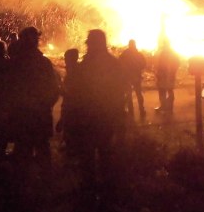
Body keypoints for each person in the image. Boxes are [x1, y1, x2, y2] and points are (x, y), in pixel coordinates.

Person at [64, 29, 128, 189]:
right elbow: (121, 91)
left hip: (89, 119)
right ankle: (108, 188)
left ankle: (89, 189)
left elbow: (75, 92)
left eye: (89, 42)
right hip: (107, 118)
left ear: (93, 43)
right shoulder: (114, 63)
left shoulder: (86, 66)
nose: (87, 45)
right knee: (106, 153)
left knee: (88, 156)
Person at [8, 26, 60, 166]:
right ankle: (43, 182)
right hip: (37, 115)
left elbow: (8, 90)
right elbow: (54, 89)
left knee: (23, 152)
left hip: (24, 115)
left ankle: (25, 183)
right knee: (41, 149)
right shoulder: (42, 63)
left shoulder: (15, 63)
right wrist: (46, 105)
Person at [119, 39, 147, 119]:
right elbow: (144, 64)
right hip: (136, 76)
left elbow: (119, 63)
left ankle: (131, 111)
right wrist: (138, 69)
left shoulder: (124, 54)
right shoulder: (138, 54)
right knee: (138, 93)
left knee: (129, 94)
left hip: (127, 77)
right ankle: (141, 110)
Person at [154, 39, 180, 112]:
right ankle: (169, 107)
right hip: (169, 76)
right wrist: (173, 72)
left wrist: (159, 73)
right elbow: (177, 63)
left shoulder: (164, 53)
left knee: (162, 92)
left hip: (164, 76)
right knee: (169, 91)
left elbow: (160, 65)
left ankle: (164, 107)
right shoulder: (173, 53)